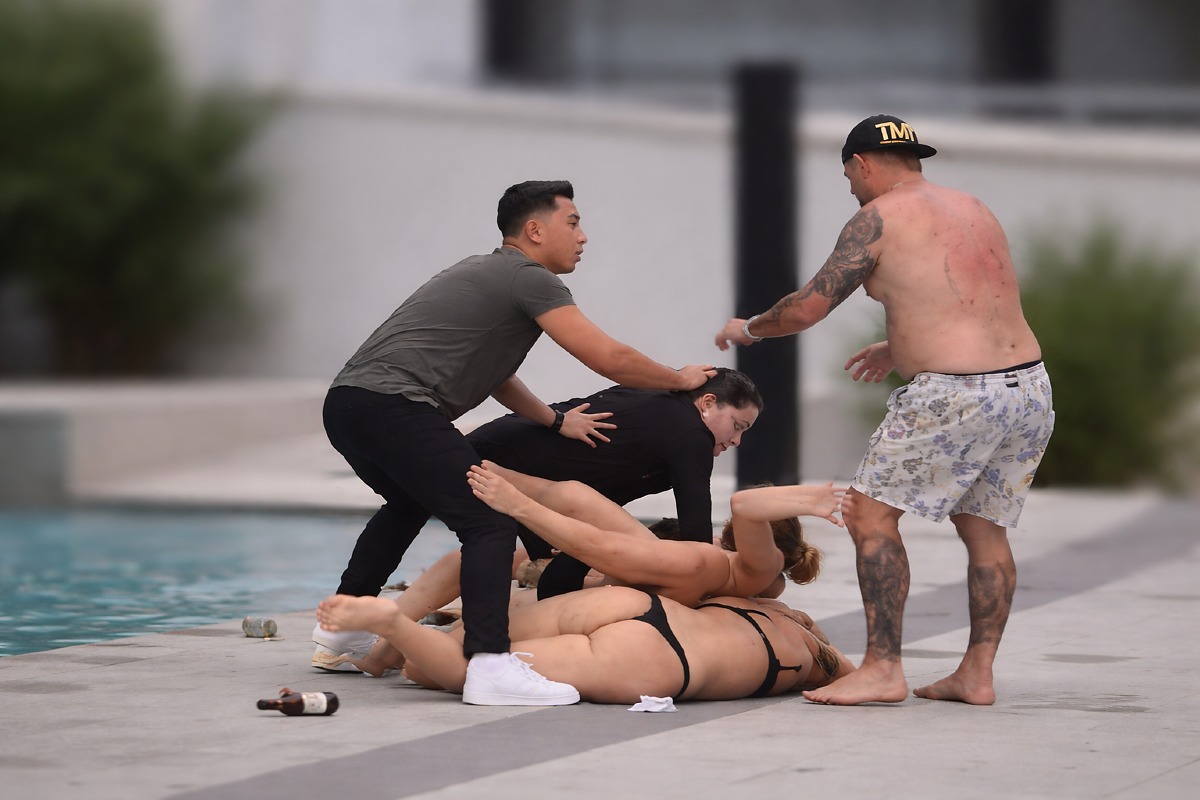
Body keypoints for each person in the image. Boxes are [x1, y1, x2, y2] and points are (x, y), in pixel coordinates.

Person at [318, 179, 716, 706]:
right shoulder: (530, 278)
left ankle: (342, 629)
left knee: (408, 502)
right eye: (573, 223)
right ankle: (490, 664)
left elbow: (497, 375)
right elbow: (607, 357)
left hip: (348, 404)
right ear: (535, 230)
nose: (583, 237)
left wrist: (554, 421)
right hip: (396, 405)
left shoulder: (484, 272)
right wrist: (680, 379)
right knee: (490, 522)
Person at [715, 114, 1055, 706]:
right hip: (1026, 388)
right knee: (984, 530)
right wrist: (900, 346)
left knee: (869, 516)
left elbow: (807, 308)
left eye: (849, 175)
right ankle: (976, 674)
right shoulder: (972, 208)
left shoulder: (876, 218)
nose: (851, 186)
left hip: (956, 393)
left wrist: (747, 328)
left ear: (861, 163)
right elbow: (972, 300)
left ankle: (882, 668)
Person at [315, 586, 857, 705]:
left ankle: (396, 634)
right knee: (462, 671)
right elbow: (852, 678)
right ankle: (393, 625)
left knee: (481, 638)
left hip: (639, 605)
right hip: (660, 661)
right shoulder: (810, 657)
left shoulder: (750, 601)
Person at [467, 460, 840, 608]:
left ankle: (499, 486)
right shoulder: (753, 569)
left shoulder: (765, 568)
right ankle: (482, 467)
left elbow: (744, 505)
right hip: (606, 577)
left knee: (580, 515)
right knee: (573, 498)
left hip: (596, 583)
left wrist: (809, 500)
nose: (728, 526)